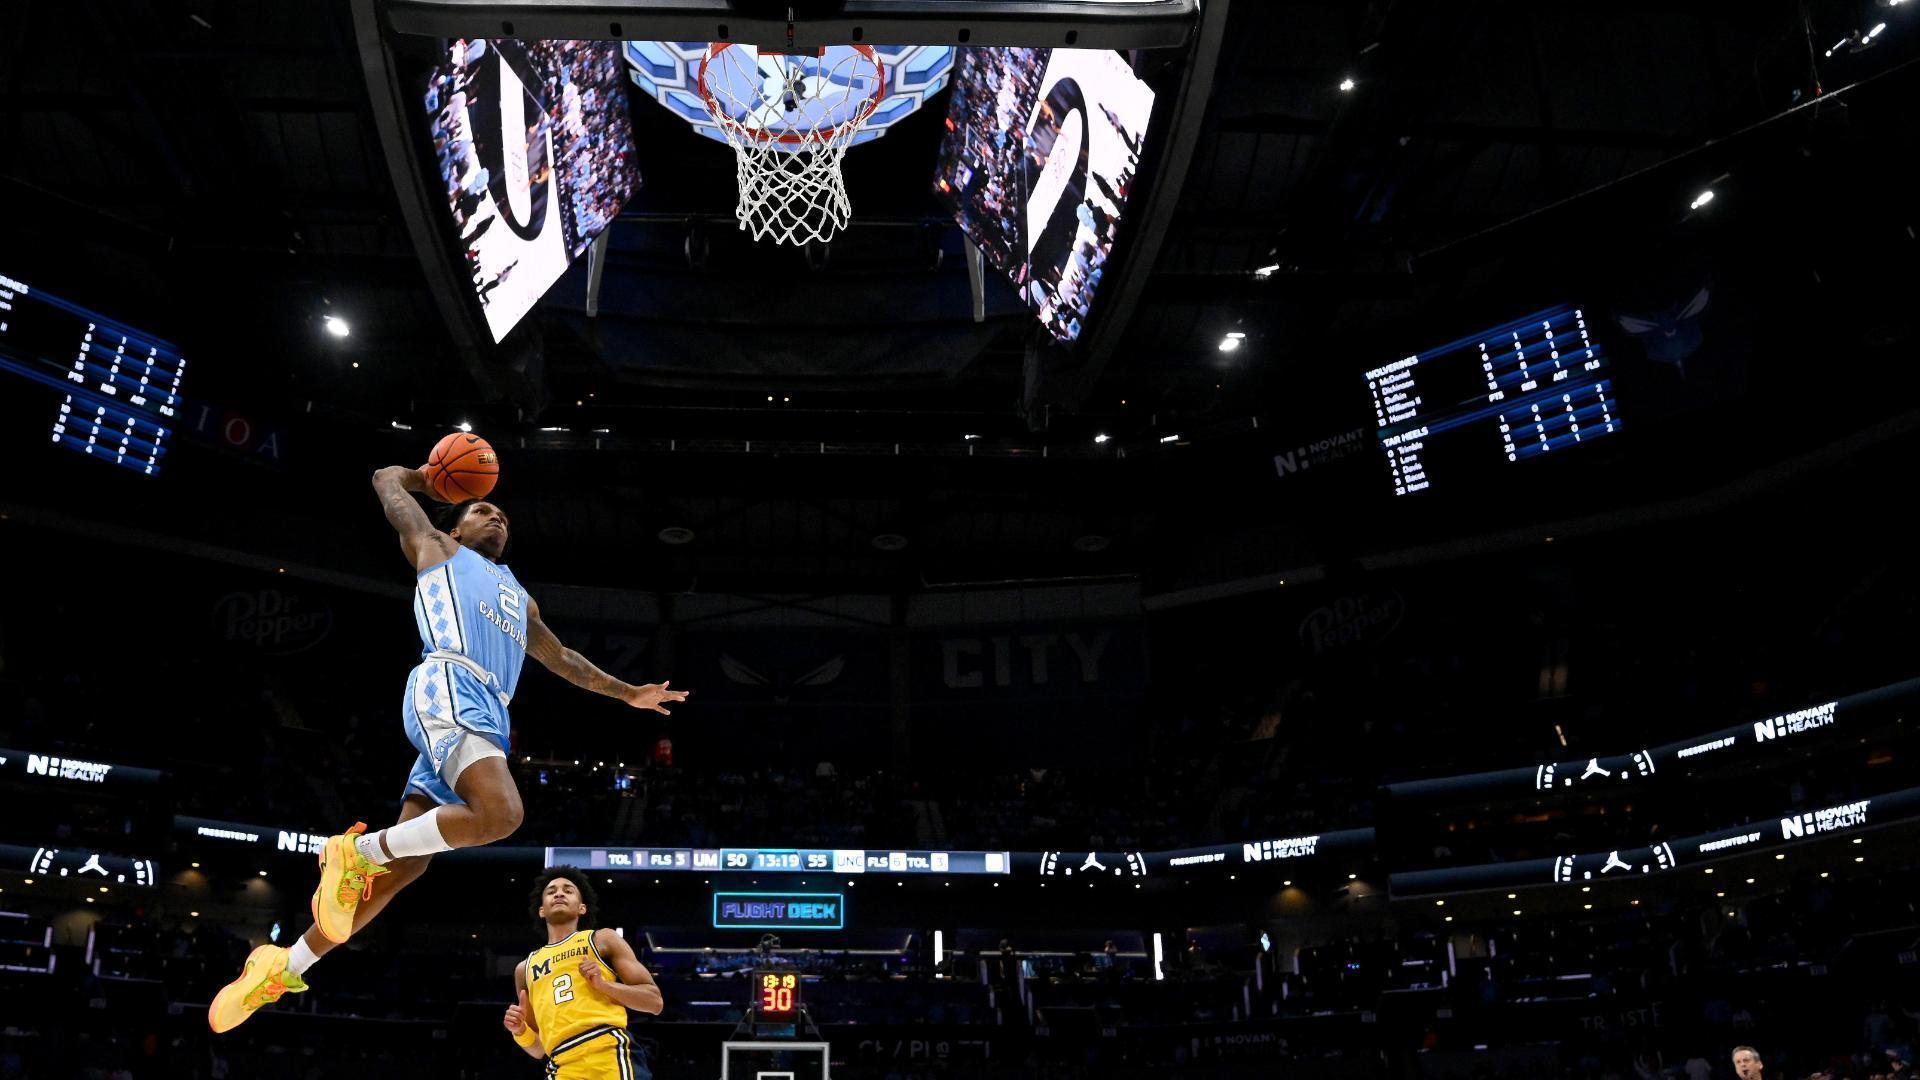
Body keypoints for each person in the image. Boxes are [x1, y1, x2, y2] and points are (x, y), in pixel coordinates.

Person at [208, 463, 689, 1033]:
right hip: (450, 685)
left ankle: (284, 964)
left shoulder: (519, 596)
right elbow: (384, 481)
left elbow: (560, 659)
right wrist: (418, 476)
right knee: (502, 815)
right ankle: (356, 852)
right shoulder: (436, 547)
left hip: (487, 713)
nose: (497, 517)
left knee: (406, 869)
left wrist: (627, 692)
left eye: (503, 516)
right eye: (484, 510)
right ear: (456, 528)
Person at [504, 867, 663, 1077]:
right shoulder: (524, 968)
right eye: (551, 891)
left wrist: (604, 985)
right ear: (541, 909)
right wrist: (520, 1031)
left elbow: (654, 1002)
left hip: (607, 1053)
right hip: (560, 1063)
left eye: (568, 890)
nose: (559, 893)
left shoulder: (602, 939)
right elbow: (538, 1048)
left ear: (582, 908)